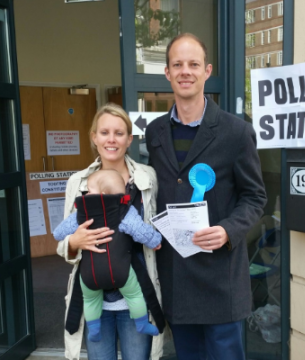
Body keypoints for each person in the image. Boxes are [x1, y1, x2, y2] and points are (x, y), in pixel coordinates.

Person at [146, 33, 267, 360]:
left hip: (220, 277)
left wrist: (229, 229)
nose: (186, 71)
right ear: (168, 73)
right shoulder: (155, 132)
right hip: (176, 276)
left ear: (207, 71)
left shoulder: (236, 131)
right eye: (178, 64)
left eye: (193, 64)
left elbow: (255, 197)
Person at [57, 103, 164, 360]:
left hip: (136, 296)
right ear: (94, 137)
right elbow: (62, 242)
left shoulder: (147, 177)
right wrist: (75, 241)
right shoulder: (78, 182)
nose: (111, 139)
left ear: (129, 139)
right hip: (95, 299)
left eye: (119, 133)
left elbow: (155, 228)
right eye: (104, 132)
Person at [53, 169, 161, 342]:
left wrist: (73, 237)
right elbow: (141, 231)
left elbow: (59, 233)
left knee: (89, 301)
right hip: (121, 272)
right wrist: (156, 240)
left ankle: (94, 329)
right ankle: (142, 323)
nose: (86, 193)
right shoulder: (124, 211)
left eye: (89, 190)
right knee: (135, 295)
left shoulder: (82, 213)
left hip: (89, 273)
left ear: (102, 194)